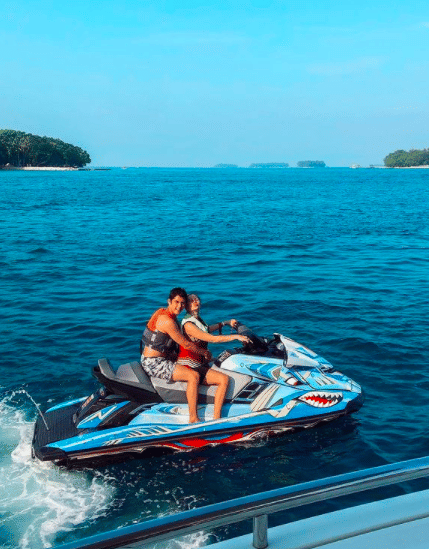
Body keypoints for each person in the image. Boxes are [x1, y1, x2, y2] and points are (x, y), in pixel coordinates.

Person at [141, 287, 212, 423]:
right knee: (193, 376)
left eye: (183, 303)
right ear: (169, 301)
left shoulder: (162, 313)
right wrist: (204, 352)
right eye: (176, 302)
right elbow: (186, 344)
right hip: (154, 363)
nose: (179, 306)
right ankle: (193, 418)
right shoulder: (168, 322)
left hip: (155, 357)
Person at [177, 293, 250, 422]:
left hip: (200, 361)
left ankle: (219, 414)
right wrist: (235, 337)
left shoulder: (197, 319)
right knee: (223, 379)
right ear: (186, 306)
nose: (195, 301)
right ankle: (213, 418)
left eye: (197, 299)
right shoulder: (188, 324)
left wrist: (225, 323)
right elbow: (211, 338)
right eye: (191, 300)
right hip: (191, 365)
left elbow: (207, 329)